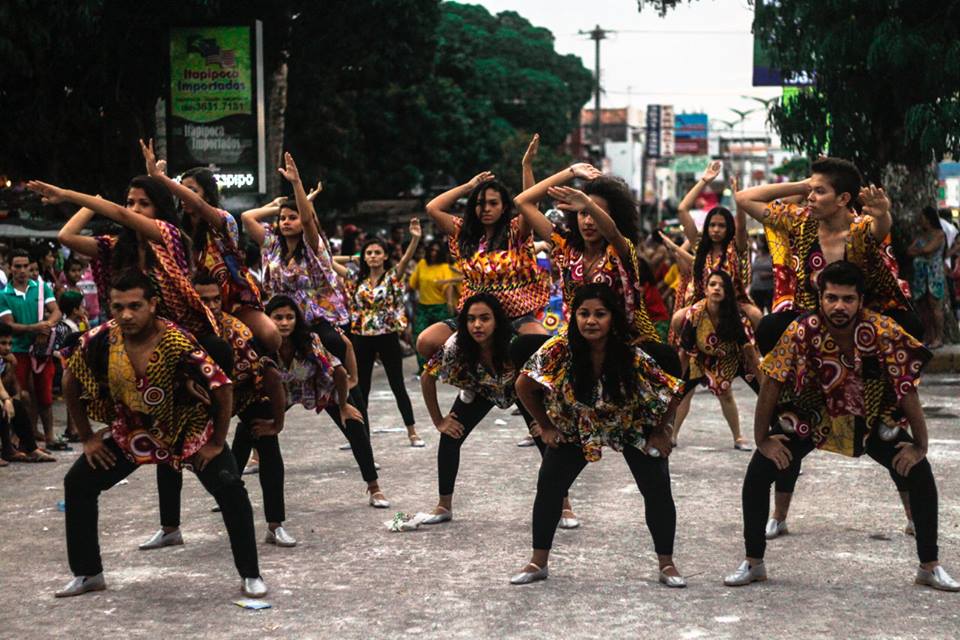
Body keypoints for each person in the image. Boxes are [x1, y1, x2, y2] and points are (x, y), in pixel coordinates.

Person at [723, 261, 959, 592]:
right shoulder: (802, 331)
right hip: (812, 417)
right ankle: (753, 562)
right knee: (759, 470)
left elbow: (906, 386)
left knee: (919, 471)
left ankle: (929, 567)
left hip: (869, 420)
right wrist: (762, 439)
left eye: (848, 299)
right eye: (831, 297)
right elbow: (772, 381)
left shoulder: (882, 331)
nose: (839, 306)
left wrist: (920, 444)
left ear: (860, 301)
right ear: (820, 298)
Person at [56, 270, 267, 598]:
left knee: (231, 489)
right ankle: (88, 573)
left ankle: (251, 575)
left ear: (153, 304)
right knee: (78, 482)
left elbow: (222, 386)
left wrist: (215, 442)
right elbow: (70, 379)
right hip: (133, 432)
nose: (126, 315)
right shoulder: (101, 338)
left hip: (186, 430)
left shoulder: (176, 341)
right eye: (118, 307)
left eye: (135, 306)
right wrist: (87, 437)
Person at [509, 284, 685, 586]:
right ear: (574, 316)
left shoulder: (631, 351)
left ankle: (667, 565)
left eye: (600, 314)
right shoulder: (558, 348)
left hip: (630, 423)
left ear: (612, 318)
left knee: (657, 488)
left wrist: (661, 432)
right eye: (584, 314)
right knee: (549, 485)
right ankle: (538, 562)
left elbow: (673, 391)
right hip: (577, 424)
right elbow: (523, 386)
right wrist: (546, 426)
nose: (591, 321)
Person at [143, 274, 293, 551]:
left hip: (246, 391)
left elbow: (271, 377)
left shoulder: (237, 332)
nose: (211, 306)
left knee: (267, 443)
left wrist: (277, 424)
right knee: (168, 448)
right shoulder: (175, 332)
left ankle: (276, 525)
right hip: (199, 397)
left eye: (216, 300)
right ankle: (170, 529)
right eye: (204, 300)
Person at [733, 157, 917, 353]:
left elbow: (880, 228)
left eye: (819, 191)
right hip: (810, 318)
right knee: (769, 328)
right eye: (810, 191)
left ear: (843, 199)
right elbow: (743, 198)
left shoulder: (860, 228)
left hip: (861, 316)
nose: (810, 197)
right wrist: (802, 186)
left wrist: (882, 214)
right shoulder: (800, 221)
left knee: (910, 326)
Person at [418, 293, 573, 523]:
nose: (477, 325)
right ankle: (443, 506)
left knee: (546, 440)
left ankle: (564, 506)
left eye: (484, 318)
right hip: (483, 388)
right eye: (471, 319)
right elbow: (426, 377)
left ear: (497, 321)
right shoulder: (457, 345)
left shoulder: (516, 344)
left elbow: (549, 380)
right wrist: (439, 421)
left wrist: (545, 420)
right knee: (450, 435)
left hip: (520, 389)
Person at [139, 139, 281, 354]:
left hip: (232, 299)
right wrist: (153, 180)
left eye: (191, 190)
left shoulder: (223, 220)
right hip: (190, 304)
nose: (183, 195)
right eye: (180, 190)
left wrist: (160, 177)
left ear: (206, 193)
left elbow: (198, 205)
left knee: (271, 334)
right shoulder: (176, 229)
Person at [416, 153, 555, 361]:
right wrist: (468, 186)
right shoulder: (463, 233)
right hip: (475, 318)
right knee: (425, 341)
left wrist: (526, 165)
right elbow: (432, 208)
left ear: (504, 207)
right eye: (480, 203)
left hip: (515, 316)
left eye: (493, 203)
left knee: (542, 348)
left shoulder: (515, 231)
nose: (486, 209)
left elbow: (530, 204)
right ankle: (465, 376)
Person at [240, 153, 356, 382]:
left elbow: (307, 220)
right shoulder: (272, 244)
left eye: (291, 217)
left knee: (333, 345)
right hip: (280, 316)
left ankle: (350, 396)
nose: (285, 222)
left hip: (313, 317)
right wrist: (276, 207)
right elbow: (247, 217)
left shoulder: (312, 245)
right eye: (282, 218)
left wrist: (296, 183)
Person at [266, 295, 390, 508]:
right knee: (248, 428)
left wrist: (344, 404)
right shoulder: (263, 344)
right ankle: (229, 491)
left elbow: (339, 370)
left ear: (297, 319)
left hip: (320, 387)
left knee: (355, 425)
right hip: (285, 392)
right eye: (278, 317)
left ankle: (374, 489)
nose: (284, 323)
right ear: (268, 319)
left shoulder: (309, 340)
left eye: (289, 317)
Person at [339, 219, 422, 446]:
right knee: (361, 388)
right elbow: (327, 261)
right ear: (364, 257)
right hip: (362, 338)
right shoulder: (356, 279)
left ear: (385, 256)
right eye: (369, 253)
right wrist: (352, 258)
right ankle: (359, 436)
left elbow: (405, 259)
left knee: (397, 385)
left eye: (377, 252)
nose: (373, 256)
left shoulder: (392, 276)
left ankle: (412, 432)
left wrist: (414, 238)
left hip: (387, 336)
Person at [672, 271, 761, 450]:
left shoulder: (735, 315)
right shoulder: (695, 313)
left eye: (722, 286)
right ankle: (671, 435)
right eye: (713, 284)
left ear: (727, 292)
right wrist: (675, 382)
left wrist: (763, 382)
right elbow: (684, 352)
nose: (717, 288)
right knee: (683, 394)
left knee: (726, 394)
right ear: (706, 290)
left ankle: (738, 437)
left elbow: (749, 353)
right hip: (699, 356)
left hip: (729, 357)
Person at [675, 162, 761, 328]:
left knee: (757, 316)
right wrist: (704, 180)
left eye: (721, 226)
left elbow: (741, 226)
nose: (716, 230)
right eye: (712, 225)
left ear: (729, 228)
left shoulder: (737, 247)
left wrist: (738, 198)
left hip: (734, 303)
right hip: (704, 304)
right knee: (678, 319)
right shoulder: (700, 247)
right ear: (706, 228)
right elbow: (682, 209)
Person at [0, 248, 63, 450]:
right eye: (17, 266)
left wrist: (47, 326)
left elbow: (56, 311)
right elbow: (9, 325)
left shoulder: (42, 288)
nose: (22, 270)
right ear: (10, 268)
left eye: (25, 266)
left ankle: (50, 436)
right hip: (17, 350)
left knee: (45, 394)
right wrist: (36, 327)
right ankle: (21, 439)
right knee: (20, 395)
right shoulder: (3, 295)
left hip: (41, 350)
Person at [0, 323, 55, 463]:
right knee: (3, 405)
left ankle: (28, 447)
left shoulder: (6, 360)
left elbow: (14, 387)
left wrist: (11, 366)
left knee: (20, 401)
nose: (7, 348)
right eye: (3, 343)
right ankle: (7, 448)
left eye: (9, 344)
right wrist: (6, 400)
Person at [409, 240, 457, 372]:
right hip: (423, 308)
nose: (433, 253)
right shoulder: (422, 264)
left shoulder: (444, 267)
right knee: (419, 336)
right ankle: (424, 369)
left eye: (436, 251)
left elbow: (448, 287)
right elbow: (412, 284)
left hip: (440, 308)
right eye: (431, 250)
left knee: (444, 340)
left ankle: (444, 367)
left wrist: (450, 303)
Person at [907, 206, 946, 349]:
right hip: (921, 275)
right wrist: (921, 252)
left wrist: (919, 251)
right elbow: (909, 251)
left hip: (934, 274)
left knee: (935, 305)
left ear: (928, 219)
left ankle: (939, 337)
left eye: (922, 218)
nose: (920, 220)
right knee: (923, 306)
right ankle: (929, 335)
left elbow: (928, 249)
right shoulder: (921, 235)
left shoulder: (939, 234)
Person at [750, 235, 774, 313]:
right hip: (756, 289)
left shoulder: (772, 256)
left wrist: (769, 274)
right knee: (758, 312)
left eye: (759, 241)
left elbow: (779, 271)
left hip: (769, 289)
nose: (757, 243)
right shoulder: (757, 256)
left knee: (771, 312)